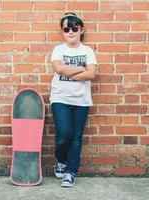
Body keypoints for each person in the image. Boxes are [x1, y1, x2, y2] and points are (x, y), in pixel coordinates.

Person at [50, 12, 97, 187]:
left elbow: (91, 74)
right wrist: (80, 68)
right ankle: (61, 160)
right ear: (63, 31)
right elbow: (59, 70)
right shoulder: (58, 49)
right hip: (60, 97)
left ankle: (70, 172)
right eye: (66, 29)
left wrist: (67, 70)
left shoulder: (88, 51)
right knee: (64, 135)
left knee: (76, 138)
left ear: (81, 30)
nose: (70, 31)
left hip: (81, 100)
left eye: (74, 28)